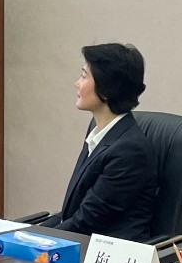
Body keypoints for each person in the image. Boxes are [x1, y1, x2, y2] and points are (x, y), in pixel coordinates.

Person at [39, 43, 159, 241]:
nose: (77, 83)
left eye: (84, 76)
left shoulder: (129, 151)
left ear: (106, 89)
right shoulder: (99, 134)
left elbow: (87, 221)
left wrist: (35, 239)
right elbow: (72, 213)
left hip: (106, 252)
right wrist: (25, 233)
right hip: (82, 242)